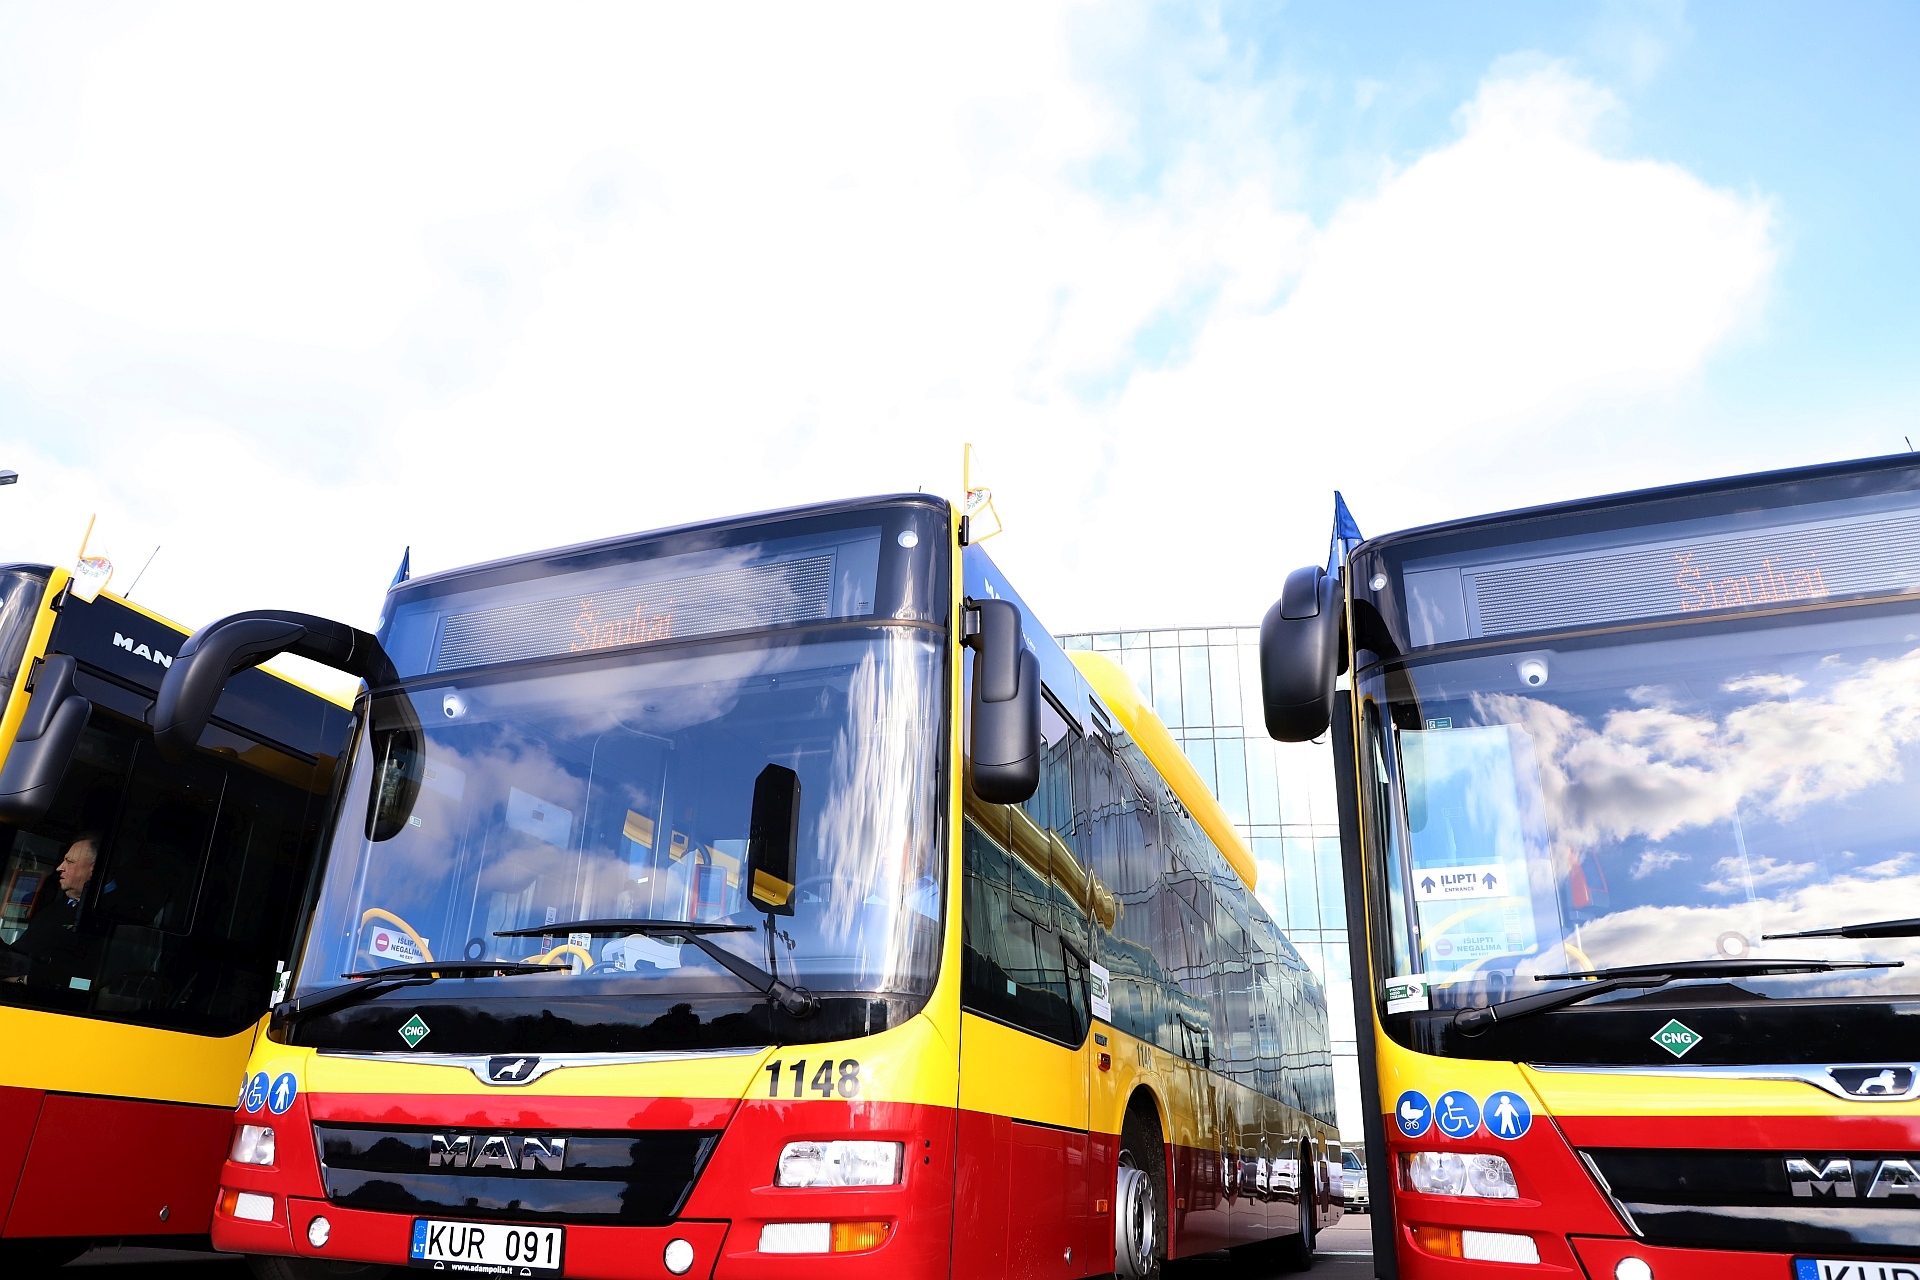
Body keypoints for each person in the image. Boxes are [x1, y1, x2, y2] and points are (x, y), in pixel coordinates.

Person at [1, 834, 103, 1000]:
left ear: (94, 868)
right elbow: (21, 950)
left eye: (69, 862)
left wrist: (24, 980)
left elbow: (84, 975)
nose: (60, 868)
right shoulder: (52, 910)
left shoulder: (104, 915)